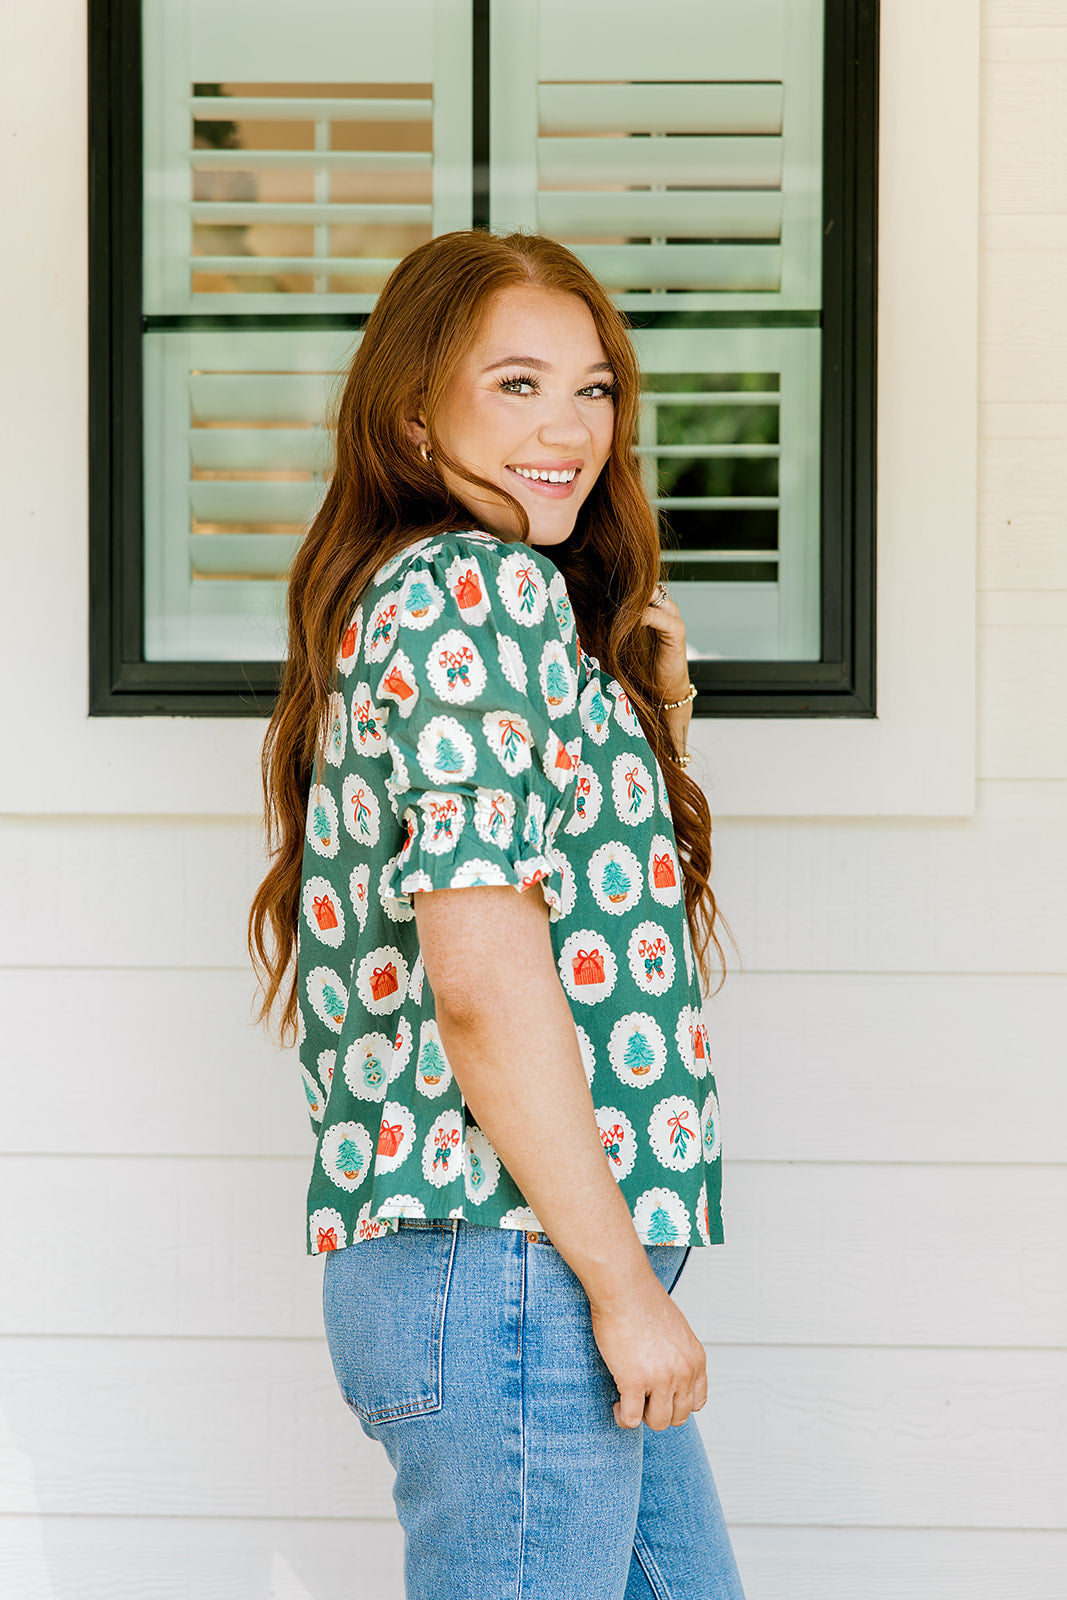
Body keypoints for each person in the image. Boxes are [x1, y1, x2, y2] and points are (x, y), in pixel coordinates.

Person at [250, 230, 745, 1600]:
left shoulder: (448, 602)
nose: (568, 429)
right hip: (516, 1272)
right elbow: (481, 977)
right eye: (517, 383)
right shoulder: (475, 590)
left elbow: (579, 893)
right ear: (416, 410)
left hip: (518, 1279)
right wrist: (627, 1293)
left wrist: (649, 712)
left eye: (592, 391)